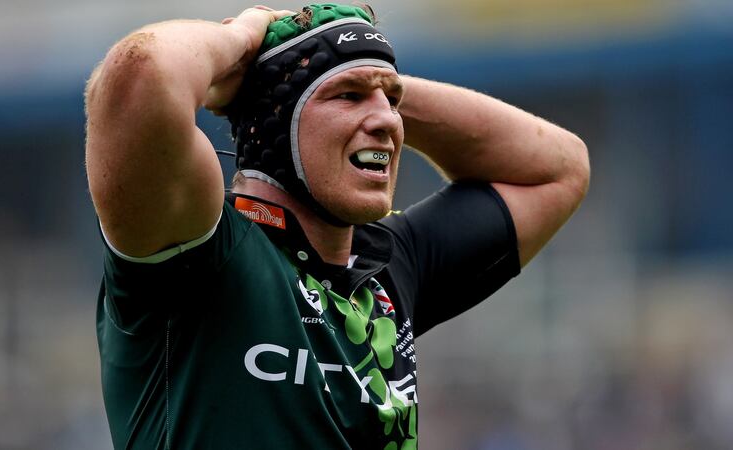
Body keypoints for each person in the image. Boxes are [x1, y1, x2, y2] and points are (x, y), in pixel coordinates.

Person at [84, 4, 590, 449]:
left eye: (389, 101)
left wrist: (361, 72)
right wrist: (245, 41)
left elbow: (559, 168)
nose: (391, 122)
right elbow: (140, 74)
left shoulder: (388, 266)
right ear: (273, 122)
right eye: (347, 97)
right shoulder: (196, 248)